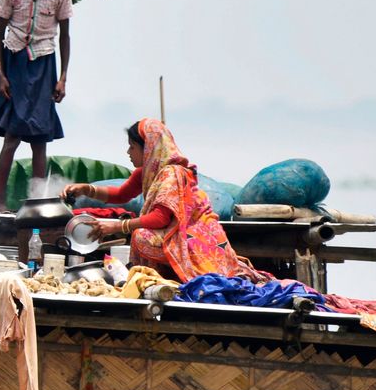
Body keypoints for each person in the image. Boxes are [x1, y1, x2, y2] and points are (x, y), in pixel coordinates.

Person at [62, 118, 270, 283]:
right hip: (175, 234)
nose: (128, 152)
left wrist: (117, 225)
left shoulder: (171, 174)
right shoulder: (148, 173)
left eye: (132, 147)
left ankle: (169, 279)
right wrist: (85, 189)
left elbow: (160, 218)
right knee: (140, 234)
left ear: (149, 148)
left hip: (195, 237)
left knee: (141, 236)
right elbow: (121, 195)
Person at [0, 0, 72, 211]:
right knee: (11, 136)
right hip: (14, 64)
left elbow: (64, 37)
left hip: (44, 65)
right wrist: (1, 74)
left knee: (39, 139)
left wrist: (62, 78)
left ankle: (36, 203)